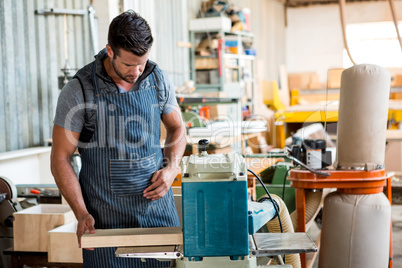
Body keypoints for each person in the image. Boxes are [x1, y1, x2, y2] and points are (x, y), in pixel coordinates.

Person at [50, 10, 186, 268]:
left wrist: (172, 168)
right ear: (110, 51)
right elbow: (60, 158)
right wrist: (80, 212)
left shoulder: (157, 79)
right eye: (128, 64)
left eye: (142, 62)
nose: (136, 72)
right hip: (104, 225)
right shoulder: (79, 90)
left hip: (157, 219)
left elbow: (177, 128)